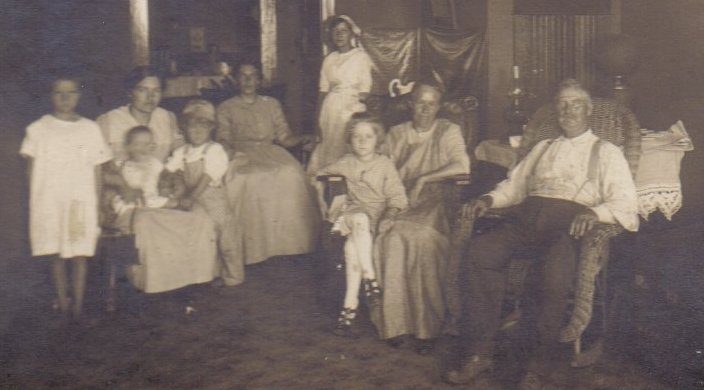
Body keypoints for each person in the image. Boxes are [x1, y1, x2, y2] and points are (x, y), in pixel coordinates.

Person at [445, 79, 639, 388]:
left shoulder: (607, 151)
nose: (568, 110)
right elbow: (514, 187)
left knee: (552, 273)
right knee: (480, 253)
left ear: (588, 111)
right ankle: (480, 354)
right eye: (562, 104)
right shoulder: (542, 147)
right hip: (525, 221)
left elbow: (626, 202)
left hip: (567, 227)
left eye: (575, 104)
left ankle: (537, 367)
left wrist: (594, 213)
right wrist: (488, 200)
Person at [372, 81, 470, 354]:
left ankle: (429, 327)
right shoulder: (396, 133)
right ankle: (395, 324)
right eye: (420, 102)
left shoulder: (449, 130)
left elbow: (462, 165)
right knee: (392, 237)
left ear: (439, 107)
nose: (426, 109)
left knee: (423, 237)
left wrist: (424, 178)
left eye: (432, 104)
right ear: (410, 104)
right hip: (400, 199)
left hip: (438, 200)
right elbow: (380, 168)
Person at [20, 75, 112, 322]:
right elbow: (31, 170)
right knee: (57, 254)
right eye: (58, 93)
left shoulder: (90, 129)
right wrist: (37, 203)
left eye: (70, 92)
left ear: (78, 96)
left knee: (80, 253)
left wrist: (99, 201)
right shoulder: (38, 128)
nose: (64, 98)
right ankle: (63, 304)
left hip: (80, 201)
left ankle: (79, 308)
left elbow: (97, 169)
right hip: (51, 201)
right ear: (51, 96)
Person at [216, 62, 319, 265]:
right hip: (240, 152)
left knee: (290, 172)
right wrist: (229, 153)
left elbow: (284, 137)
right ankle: (251, 249)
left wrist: (303, 138)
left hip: (270, 150)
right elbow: (223, 138)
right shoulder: (226, 107)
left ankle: (291, 245)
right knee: (247, 177)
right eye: (243, 76)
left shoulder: (271, 104)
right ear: (236, 80)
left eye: (252, 76)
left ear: (259, 80)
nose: (247, 80)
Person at [314, 113, 408, 337]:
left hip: (373, 218)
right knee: (358, 219)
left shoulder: (384, 164)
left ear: (378, 139)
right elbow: (319, 174)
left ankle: (349, 309)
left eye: (368, 136)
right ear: (350, 140)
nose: (363, 142)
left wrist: (391, 214)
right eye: (356, 137)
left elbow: (398, 197)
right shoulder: (346, 162)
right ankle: (371, 279)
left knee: (351, 250)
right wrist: (320, 196)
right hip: (352, 215)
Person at [128, 100, 231, 294]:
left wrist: (188, 196)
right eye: (193, 126)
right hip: (190, 197)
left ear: (211, 128)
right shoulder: (182, 151)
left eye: (204, 126)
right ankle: (200, 272)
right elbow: (167, 170)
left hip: (211, 196)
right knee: (201, 228)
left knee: (223, 234)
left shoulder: (214, 149)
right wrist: (167, 181)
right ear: (185, 129)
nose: (198, 131)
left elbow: (207, 177)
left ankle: (231, 275)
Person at [306, 15, 373, 174]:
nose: (339, 34)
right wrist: (318, 121)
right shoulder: (329, 59)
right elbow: (323, 91)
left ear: (351, 34)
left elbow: (365, 90)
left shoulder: (360, 57)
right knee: (328, 148)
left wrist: (352, 113)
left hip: (351, 109)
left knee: (347, 148)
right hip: (330, 109)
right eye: (335, 31)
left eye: (344, 30)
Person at [102, 126, 179, 235]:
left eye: (148, 144)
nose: (143, 148)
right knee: (125, 207)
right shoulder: (122, 164)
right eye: (138, 144)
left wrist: (167, 186)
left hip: (150, 197)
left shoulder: (155, 163)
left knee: (170, 204)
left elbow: (167, 176)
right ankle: (126, 229)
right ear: (128, 147)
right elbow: (107, 176)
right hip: (130, 199)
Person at [97, 66, 182, 163]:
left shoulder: (167, 117)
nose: (150, 96)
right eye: (143, 90)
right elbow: (100, 164)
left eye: (156, 90)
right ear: (130, 92)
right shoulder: (108, 121)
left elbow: (181, 153)